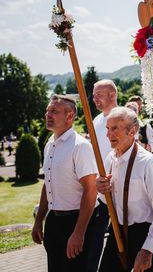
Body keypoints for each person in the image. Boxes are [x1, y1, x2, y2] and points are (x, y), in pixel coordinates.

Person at [96, 107, 153, 271]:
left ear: (132, 131)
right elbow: (104, 200)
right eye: (108, 128)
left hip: (143, 235)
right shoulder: (110, 159)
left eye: (115, 128)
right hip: (117, 231)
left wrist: (148, 249)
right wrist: (100, 189)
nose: (108, 134)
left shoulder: (148, 163)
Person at [31, 95, 98, 271]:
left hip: (77, 220)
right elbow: (48, 182)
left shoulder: (80, 146)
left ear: (69, 116)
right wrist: (39, 220)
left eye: (54, 111)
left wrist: (78, 232)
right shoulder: (49, 144)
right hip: (54, 220)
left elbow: (91, 191)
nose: (48, 115)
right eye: (47, 111)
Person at [89, 79, 118, 270]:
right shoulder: (96, 121)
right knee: (94, 238)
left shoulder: (126, 116)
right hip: (99, 189)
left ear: (112, 95)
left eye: (99, 95)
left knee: (120, 237)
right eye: (93, 96)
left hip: (121, 186)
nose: (94, 100)